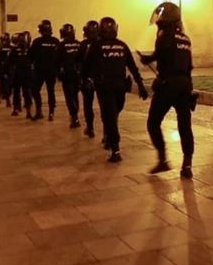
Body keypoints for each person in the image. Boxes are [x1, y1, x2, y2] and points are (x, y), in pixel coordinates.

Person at [142, 2, 197, 178]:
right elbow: (189, 66)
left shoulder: (164, 35)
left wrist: (147, 58)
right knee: (184, 126)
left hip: (168, 85)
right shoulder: (186, 38)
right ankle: (187, 164)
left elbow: (161, 54)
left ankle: (163, 160)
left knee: (153, 122)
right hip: (184, 85)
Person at [84, 17, 147, 162]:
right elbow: (133, 68)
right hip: (118, 86)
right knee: (112, 114)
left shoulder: (95, 45)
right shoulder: (122, 45)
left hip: (107, 86)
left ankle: (109, 135)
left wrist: (85, 79)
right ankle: (115, 147)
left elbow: (86, 65)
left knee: (111, 115)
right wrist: (141, 86)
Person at [30, 19, 61, 121]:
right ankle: (51, 112)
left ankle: (39, 110)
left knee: (35, 90)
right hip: (51, 70)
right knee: (50, 91)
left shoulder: (37, 42)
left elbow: (30, 56)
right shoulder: (56, 41)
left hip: (39, 70)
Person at [57, 24, 83, 129]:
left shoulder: (61, 45)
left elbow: (57, 61)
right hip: (78, 74)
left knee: (69, 96)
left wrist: (58, 73)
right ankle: (75, 115)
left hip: (67, 75)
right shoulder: (79, 44)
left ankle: (74, 116)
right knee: (75, 95)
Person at [78, 20, 101, 138]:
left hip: (88, 79)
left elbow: (80, 62)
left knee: (88, 105)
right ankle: (107, 133)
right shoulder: (103, 43)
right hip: (102, 79)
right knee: (106, 107)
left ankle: (90, 127)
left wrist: (82, 78)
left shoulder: (83, 44)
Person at [9, 32, 35, 119]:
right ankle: (18, 108)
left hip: (24, 73)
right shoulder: (15, 50)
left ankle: (26, 110)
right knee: (19, 91)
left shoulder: (29, 49)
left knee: (25, 92)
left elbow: (33, 60)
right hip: (20, 73)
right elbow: (9, 62)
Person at [0, 33, 13, 106]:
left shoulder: (11, 47)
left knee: (8, 83)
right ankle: (3, 98)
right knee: (3, 83)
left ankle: (4, 97)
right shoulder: (0, 47)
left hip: (9, 67)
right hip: (2, 67)